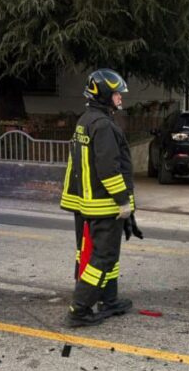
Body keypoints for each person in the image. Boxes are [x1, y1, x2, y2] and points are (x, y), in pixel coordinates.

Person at [60, 69, 142, 328]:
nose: (120, 98)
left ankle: (110, 299)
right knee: (103, 257)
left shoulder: (85, 120)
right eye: (117, 94)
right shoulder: (104, 125)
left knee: (108, 255)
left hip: (86, 204)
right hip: (104, 205)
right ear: (105, 95)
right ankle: (80, 309)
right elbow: (109, 169)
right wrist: (123, 201)